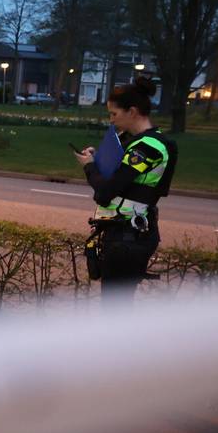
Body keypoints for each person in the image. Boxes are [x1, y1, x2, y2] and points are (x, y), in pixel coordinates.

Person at [74, 77, 177, 306]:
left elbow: (106, 192)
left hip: (128, 238)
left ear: (132, 111)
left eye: (114, 114)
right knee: (117, 308)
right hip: (127, 234)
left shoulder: (147, 147)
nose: (111, 120)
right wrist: (99, 160)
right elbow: (124, 181)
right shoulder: (139, 142)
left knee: (115, 310)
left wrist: (89, 166)